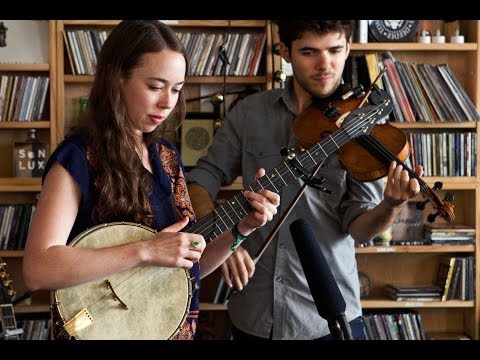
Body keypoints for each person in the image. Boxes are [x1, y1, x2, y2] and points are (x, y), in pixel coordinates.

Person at [22, 20, 279, 340]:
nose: (167, 102)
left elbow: (189, 265)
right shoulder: (77, 158)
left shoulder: (167, 157)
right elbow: (38, 269)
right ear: (117, 79)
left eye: (176, 89)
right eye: (155, 87)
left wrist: (242, 228)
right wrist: (145, 250)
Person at [186, 19, 423, 340]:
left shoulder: (360, 124)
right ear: (285, 51)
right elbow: (202, 179)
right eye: (310, 52)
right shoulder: (249, 113)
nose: (325, 65)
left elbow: (359, 229)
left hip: (325, 313)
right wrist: (223, 240)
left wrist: (391, 206)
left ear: (348, 49)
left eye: (335, 50)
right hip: (254, 311)